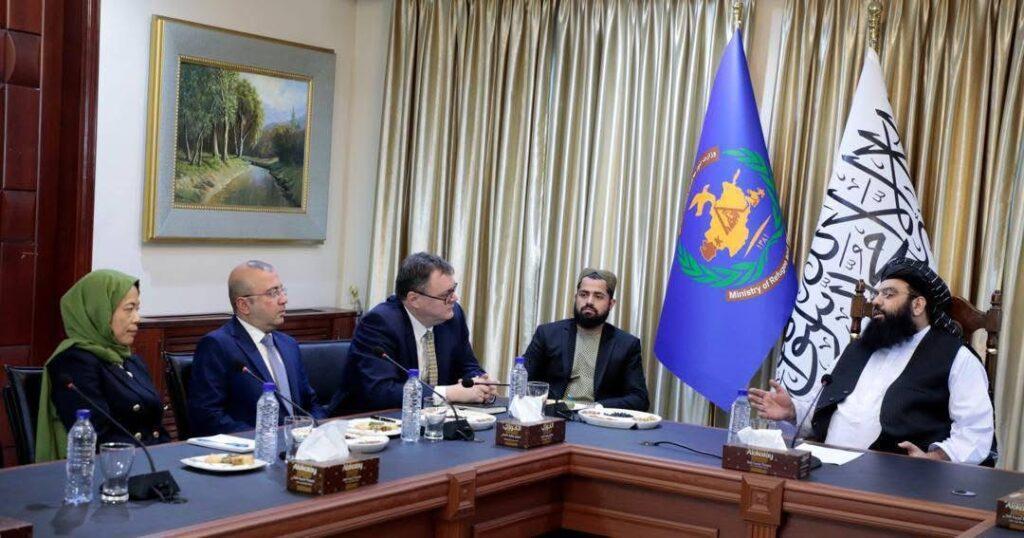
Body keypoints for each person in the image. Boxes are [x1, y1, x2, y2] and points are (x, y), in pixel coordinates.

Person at [749, 257, 995, 464]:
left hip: (898, 483)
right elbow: (825, 411)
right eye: (877, 294)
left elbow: (975, 433)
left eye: (889, 294)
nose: (876, 301)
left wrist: (933, 459)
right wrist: (793, 411)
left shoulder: (956, 358)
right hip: (825, 469)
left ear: (918, 305)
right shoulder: (858, 349)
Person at [35, 270, 169, 462]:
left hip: (150, 461)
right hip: (111, 468)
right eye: (129, 309)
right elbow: (97, 437)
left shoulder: (130, 360)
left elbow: (155, 426)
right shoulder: (74, 363)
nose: (137, 318)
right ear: (98, 311)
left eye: (137, 309)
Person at [188, 260, 327, 436]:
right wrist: (264, 439)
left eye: (282, 290)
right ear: (244, 305)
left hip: (301, 445)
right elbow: (208, 417)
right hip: (251, 448)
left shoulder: (289, 345)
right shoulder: (217, 346)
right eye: (273, 293)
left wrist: (315, 430)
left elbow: (310, 404)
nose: (284, 300)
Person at [350, 252, 496, 410]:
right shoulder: (379, 324)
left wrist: (478, 383)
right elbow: (380, 391)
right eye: (446, 295)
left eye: (453, 289)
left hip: (434, 417)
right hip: (368, 418)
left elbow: (467, 365)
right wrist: (448, 393)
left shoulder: (452, 316)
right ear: (414, 299)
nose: (455, 298)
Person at [523, 268, 649, 411]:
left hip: (598, 418)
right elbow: (523, 381)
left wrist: (598, 408)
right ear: (576, 297)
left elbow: (640, 399)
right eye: (583, 294)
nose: (589, 301)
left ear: (611, 304)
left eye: (598, 296)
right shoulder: (547, 334)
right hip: (553, 416)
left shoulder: (626, 345)